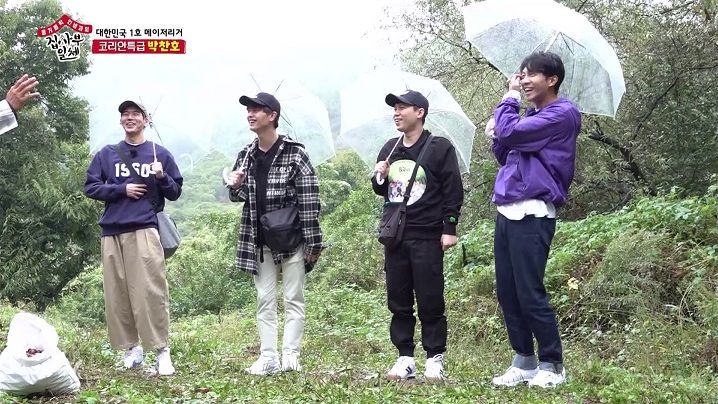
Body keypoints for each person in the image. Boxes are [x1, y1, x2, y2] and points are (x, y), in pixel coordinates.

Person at [487, 51, 581, 388]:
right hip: (508, 208)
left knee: (529, 290)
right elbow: (508, 155)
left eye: (531, 75)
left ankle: (552, 364)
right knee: (508, 291)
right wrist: (497, 135)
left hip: (534, 211)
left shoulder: (562, 113)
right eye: (522, 74)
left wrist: (509, 100)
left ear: (551, 79)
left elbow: (513, 135)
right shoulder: (533, 116)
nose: (524, 80)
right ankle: (524, 361)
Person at [225, 92, 323, 375]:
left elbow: (309, 201)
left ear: (272, 116)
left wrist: (313, 243)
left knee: (294, 298)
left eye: (257, 109)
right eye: (248, 110)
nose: (250, 114)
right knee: (264, 300)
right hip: (259, 240)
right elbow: (239, 196)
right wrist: (235, 185)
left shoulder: (295, 154)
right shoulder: (246, 154)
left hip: (292, 239)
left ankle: (291, 355)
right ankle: (268, 357)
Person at [83, 100, 183, 376]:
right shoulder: (107, 154)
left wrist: (161, 177)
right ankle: (131, 348)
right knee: (117, 293)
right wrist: (121, 189)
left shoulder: (159, 153)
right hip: (112, 230)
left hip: (144, 228)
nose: (129, 118)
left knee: (150, 291)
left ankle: (161, 350)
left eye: (135, 114)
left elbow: (175, 192)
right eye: (125, 114)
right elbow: (91, 187)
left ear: (145, 120)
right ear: (121, 121)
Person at [372, 90, 464, 382]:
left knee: (430, 297)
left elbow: (452, 190)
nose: (396, 113)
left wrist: (449, 228)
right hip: (395, 235)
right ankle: (405, 357)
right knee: (398, 298)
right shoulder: (390, 148)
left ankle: (434, 357)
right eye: (394, 109)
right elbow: (382, 191)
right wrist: (379, 175)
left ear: (420, 112)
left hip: (428, 233)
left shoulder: (439, 147)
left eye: (402, 108)